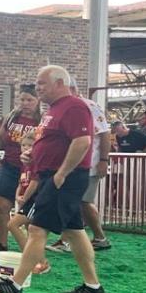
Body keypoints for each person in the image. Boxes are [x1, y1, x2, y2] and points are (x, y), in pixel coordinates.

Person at [0, 65, 105, 293]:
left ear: (59, 83)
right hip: (52, 175)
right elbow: (53, 142)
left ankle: (16, 284)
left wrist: (61, 173)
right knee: (74, 231)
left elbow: (82, 142)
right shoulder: (54, 110)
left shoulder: (74, 106)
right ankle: (93, 286)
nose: (38, 88)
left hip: (62, 178)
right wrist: (33, 156)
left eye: (41, 83)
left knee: (36, 228)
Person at [46, 80, 112, 253]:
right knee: (77, 202)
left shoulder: (88, 106)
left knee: (82, 201)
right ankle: (80, 238)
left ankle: (97, 237)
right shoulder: (64, 107)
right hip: (74, 164)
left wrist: (104, 160)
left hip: (89, 164)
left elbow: (104, 134)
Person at [0, 84, 41, 257]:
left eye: (30, 100)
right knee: (2, 206)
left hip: (31, 169)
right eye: (22, 99)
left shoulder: (42, 120)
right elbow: (0, 143)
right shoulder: (12, 117)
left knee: (28, 212)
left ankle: (32, 248)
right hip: (9, 165)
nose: (25, 103)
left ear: (37, 100)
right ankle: (2, 244)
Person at [6, 130, 51, 276]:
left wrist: (24, 198)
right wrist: (18, 195)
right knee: (30, 231)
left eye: (29, 145)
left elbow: (34, 183)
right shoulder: (24, 165)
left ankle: (36, 260)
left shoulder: (35, 163)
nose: (26, 148)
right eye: (23, 145)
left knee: (12, 225)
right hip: (26, 199)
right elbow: (21, 182)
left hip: (34, 199)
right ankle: (40, 261)